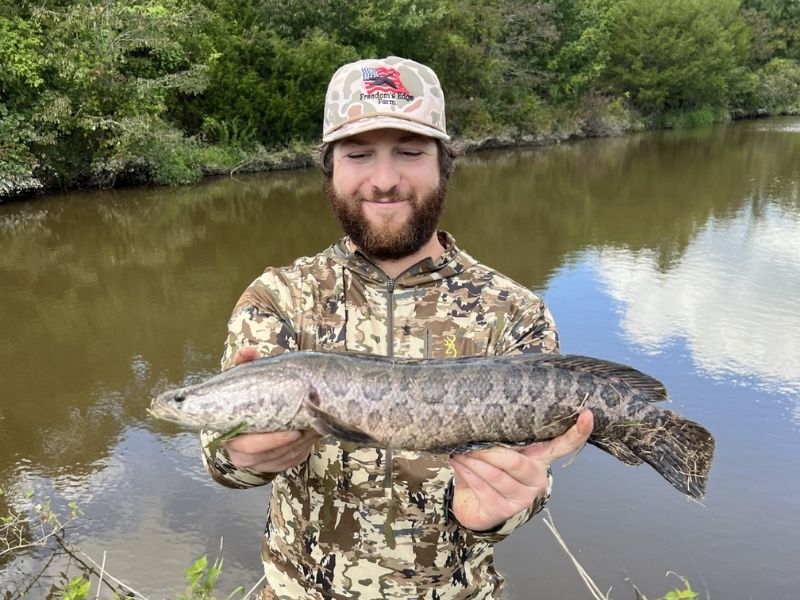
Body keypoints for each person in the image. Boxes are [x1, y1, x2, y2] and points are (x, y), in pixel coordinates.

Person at [201, 56, 593, 599]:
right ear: (331, 169)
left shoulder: (516, 314)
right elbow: (222, 459)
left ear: (443, 165)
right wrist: (237, 455)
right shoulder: (279, 299)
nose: (384, 181)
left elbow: (535, 473)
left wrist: (497, 514)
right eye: (359, 155)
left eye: (409, 153)